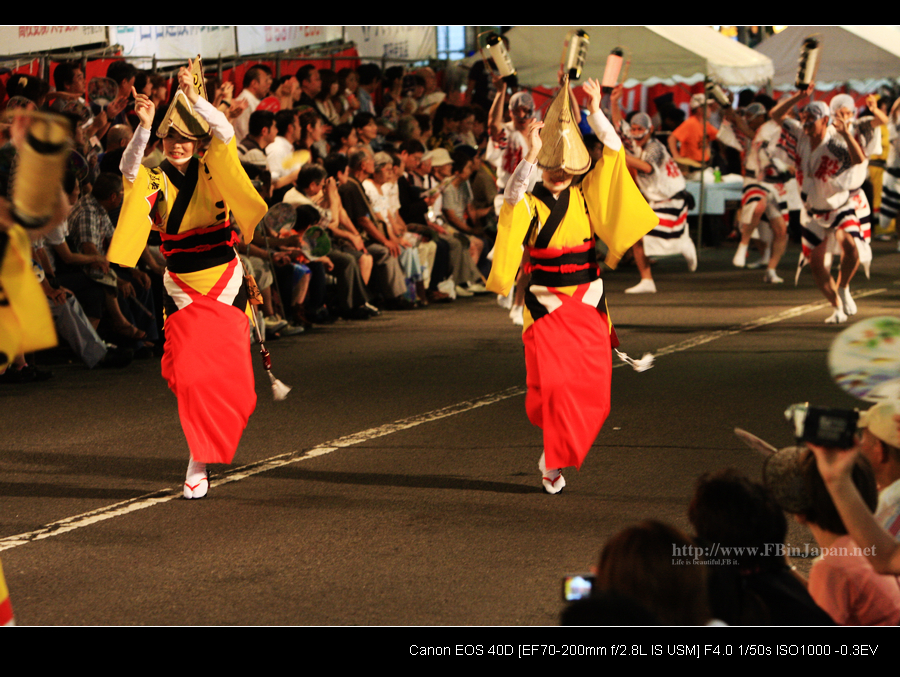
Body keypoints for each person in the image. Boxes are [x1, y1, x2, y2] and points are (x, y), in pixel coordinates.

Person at [485, 77, 657, 494]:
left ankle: (556, 452)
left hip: (589, 302)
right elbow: (510, 201)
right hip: (545, 307)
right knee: (556, 390)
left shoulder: (585, 194)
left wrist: (596, 110)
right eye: (550, 163)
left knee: (597, 396)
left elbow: (615, 152)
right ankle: (553, 459)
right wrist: (529, 152)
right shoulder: (528, 201)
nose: (559, 170)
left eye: (565, 165)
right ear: (542, 165)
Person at [108, 60, 268, 500]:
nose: (176, 145)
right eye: (169, 137)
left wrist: (197, 101)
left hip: (227, 281)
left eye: (185, 138)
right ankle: (198, 458)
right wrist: (143, 129)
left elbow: (227, 135)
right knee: (193, 377)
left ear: (198, 143)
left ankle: (210, 446)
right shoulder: (155, 176)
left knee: (234, 380)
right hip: (181, 286)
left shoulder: (214, 168)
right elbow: (128, 172)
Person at [770, 89, 871, 323]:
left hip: (839, 205)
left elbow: (859, 161)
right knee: (816, 265)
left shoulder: (835, 142)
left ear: (825, 121)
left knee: (851, 246)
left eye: (811, 121)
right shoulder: (800, 134)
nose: (806, 125)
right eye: (804, 120)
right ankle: (836, 306)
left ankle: (844, 286)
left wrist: (847, 135)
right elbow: (776, 115)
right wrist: (799, 96)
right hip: (812, 211)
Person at [610, 94, 696, 294]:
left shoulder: (654, 147)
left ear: (650, 131)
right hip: (656, 200)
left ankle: (685, 243)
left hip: (671, 200)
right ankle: (647, 279)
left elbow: (647, 168)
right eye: (634, 129)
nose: (636, 132)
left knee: (664, 240)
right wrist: (614, 102)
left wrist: (622, 154)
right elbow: (618, 125)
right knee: (637, 236)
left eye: (641, 129)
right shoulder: (634, 143)